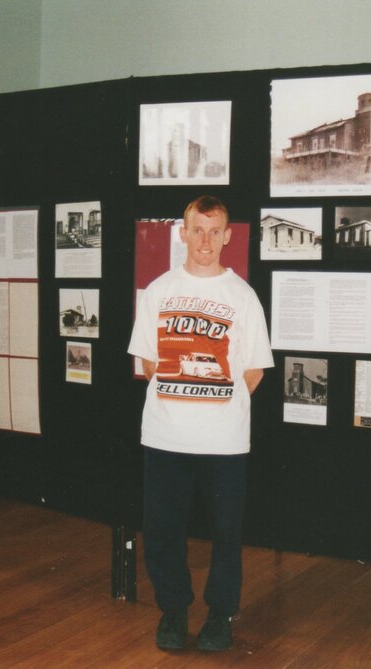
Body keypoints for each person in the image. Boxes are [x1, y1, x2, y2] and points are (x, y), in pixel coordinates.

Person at [127, 195, 274, 652]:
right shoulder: (158, 291)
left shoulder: (242, 297)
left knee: (227, 533)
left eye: (215, 231)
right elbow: (149, 362)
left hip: (224, 440)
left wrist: (215, 403)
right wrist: (185, 393)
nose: (206, 240)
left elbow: (253, 372)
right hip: (165, 435)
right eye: (198, 229)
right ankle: (173, 609)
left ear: (228, 236)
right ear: (183, 233)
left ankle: (219, 614)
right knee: (162, 529)